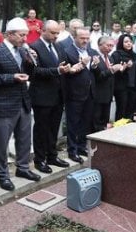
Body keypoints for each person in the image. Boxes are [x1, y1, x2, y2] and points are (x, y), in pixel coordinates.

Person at [0, 17, 43, 191]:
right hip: (3, 104)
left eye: (26, 35)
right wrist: (11, 78)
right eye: (22, 35)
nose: (25, 39)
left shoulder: (24, 51)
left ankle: (22, 168)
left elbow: (31, 73)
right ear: (10, 34)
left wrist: (31, 63)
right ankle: (2, 175)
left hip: (23, 102)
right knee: (2, 143)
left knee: (24, 140)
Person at [29, 20, 71, 171]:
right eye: (53, 33)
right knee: (41, 129)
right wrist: (57, 71)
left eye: (57, 33)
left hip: (58, 94)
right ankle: (39, 159)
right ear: (43, 31)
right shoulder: (34, 47)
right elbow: (35, 72)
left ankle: (52, 156)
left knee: (54, 128)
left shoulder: (58, 46)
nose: (55, 36)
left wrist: (67, 69)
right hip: (42, 95)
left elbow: (63, 65)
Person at [63, 28, 101, 163]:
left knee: (86, 121)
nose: (85, 41)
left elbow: (94, 72)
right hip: (74, 93)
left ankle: (81, 146)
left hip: (90, 92)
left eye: (87, 38)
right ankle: (72, 150)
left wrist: (95, 65)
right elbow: (66, 73)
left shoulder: (91, 51)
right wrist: (81, 64)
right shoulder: (67, 52)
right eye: (82, 38)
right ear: (74, 37)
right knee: (73, 123)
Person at [93, 36, 122, 131]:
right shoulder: (95, 57)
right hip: (97, 95)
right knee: (96, 122)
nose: (110, 48)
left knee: (105, 121)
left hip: (108, 95)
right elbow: (99, 76)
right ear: (100, 45)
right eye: (108, 45)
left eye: (112, 46)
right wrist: (112, 70)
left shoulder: (110, 58)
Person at [110, 34, 136, 120]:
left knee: (131, 109)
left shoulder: (135, 55)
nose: (129, 44)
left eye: (130, 42)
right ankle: (118, 129)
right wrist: (124, 68)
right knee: (121, 108)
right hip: (121, 86)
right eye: (126, 42)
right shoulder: (116, 54)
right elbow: (113, 70)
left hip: (133, 86)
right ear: (121, 43)